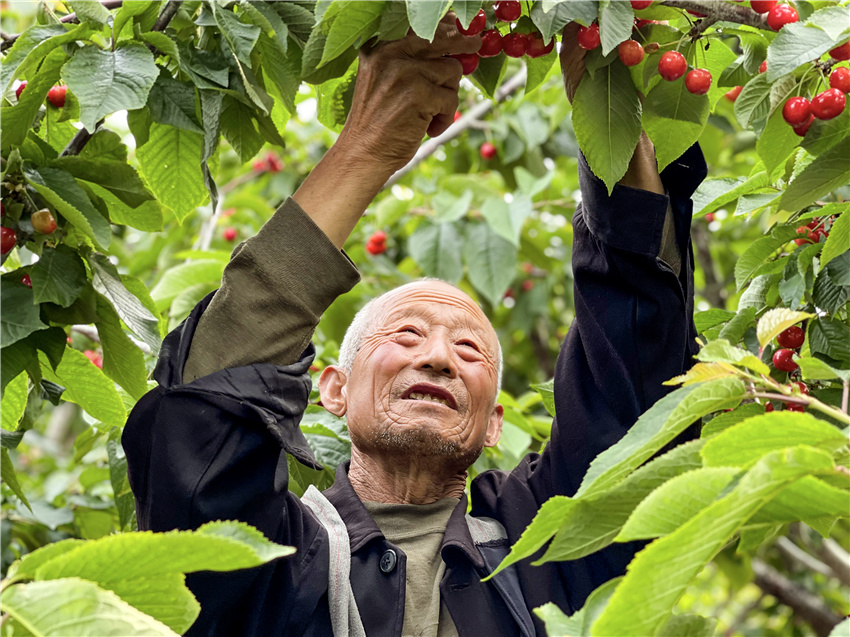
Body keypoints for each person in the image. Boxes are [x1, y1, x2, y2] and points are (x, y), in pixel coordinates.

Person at [123, 16, 706, 637]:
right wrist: (364, 150)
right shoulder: (270, 559)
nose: (438, 358)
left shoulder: (546, 544)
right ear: (334, 391)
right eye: (404, 335)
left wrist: (607, 106)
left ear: (493, 425)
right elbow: (206, 419)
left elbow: (640, 385)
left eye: (469, 350)